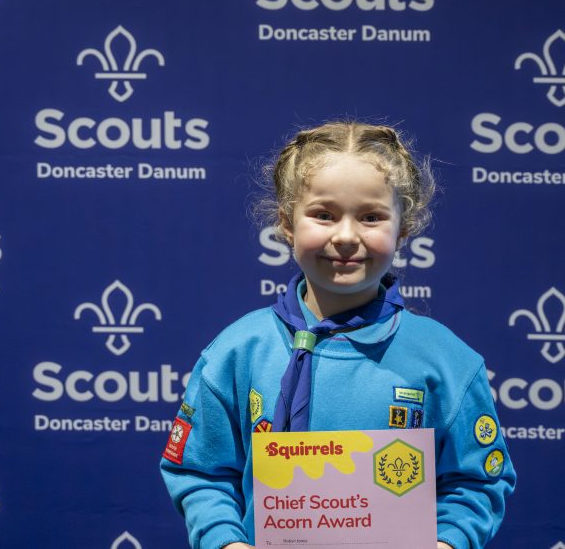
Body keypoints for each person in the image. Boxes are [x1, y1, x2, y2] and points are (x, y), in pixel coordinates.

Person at [160, 121, 515, 548]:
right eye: (324, 215)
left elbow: (477, 483)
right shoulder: (236, 352)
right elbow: (200, 474)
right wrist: (226, 542)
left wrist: (448, 542)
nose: (346, 236)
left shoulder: (447, 361)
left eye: (371, 217)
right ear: (286, 223)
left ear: (403, 228)